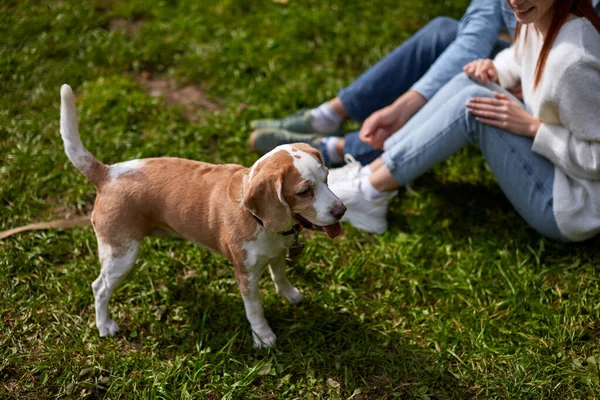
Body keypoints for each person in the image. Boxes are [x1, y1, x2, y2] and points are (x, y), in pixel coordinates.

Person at [324, 0, 600, 241]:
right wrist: (495, 70)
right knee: (471, 80)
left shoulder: (573, 62)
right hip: (555, 168)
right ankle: (371, 171)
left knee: (473, 107)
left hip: (573, 206)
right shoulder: (537, 18)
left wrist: (533, 128)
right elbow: (518, 58)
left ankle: (370, 192)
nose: (514, 0)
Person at [249, 0, 508, 166]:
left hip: (542, 93)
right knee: (445, 32)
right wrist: (407, 101)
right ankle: (327, 116)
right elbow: (478, 29)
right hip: (519, 58)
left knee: (468, 81)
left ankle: (342, 150)